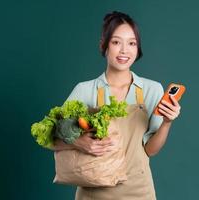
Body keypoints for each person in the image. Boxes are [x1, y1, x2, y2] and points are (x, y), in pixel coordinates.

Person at [51, 11, 181, 200]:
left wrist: (167, 123)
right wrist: (81, 143)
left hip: (139, 192)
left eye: (131, 43)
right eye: (116, 42)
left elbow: (150, 150)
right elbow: (51, 137)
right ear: (104, 46)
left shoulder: (151, 89)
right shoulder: (86, 90)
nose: (124, 51)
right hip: (93, 194)